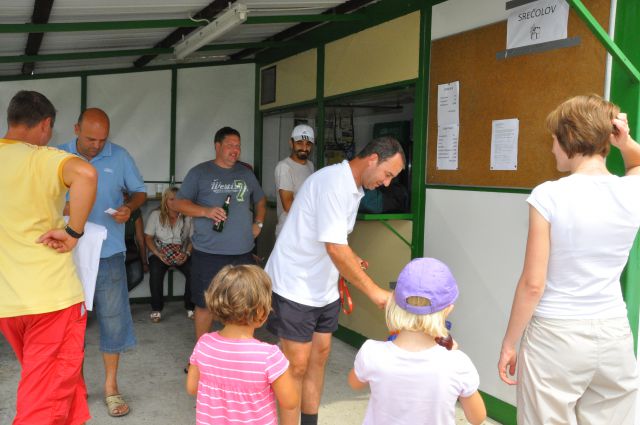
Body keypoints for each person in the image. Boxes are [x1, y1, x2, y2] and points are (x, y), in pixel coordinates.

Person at [498, 95, 640, 424]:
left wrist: (509, 342)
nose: (551, 148)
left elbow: (533, 283)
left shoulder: (550, 195)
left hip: (555, 336)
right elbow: (636, 164)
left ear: (568, 138)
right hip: (614, 334)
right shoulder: (631, 191)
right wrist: (626, 142)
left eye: (553, 140)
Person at [265, 136, 405, 425]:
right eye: (387, 174)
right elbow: (334, 248)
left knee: (319, 358)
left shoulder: (354, 188)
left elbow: (337, 242)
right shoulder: (333, 183)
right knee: (296, 366)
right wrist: (376, 293)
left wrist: (352, 259)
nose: (387, 183)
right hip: (295, 285)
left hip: (324, 288)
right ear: (373, 160)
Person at [0, 90, 98, 424]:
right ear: (45, 124)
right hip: (52, 302)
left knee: (63, 387)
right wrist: (74, 233)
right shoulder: (43, 157)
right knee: (42, 405)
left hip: (9, 305)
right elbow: (85, 174)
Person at [58, 108, 147, 418]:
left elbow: (139, 191)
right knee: (71, 326)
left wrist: (128, 207)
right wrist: (60, 204)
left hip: (108, 253)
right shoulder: (57, 156)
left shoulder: (119, 156)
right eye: (90, 139)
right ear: (76, 129)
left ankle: (111, 387)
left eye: (102, 140)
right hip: (66, 257)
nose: (96, 146)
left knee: (113, 321)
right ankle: (77, 388)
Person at [348, 258, 486, 425]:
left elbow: (354, 383)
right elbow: (477, 418)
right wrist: (453, 355)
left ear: (394, 302)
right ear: (448, 309)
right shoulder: (458, 364)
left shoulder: (371, 353)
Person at [173, 126, 266, 342]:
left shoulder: (245, 173)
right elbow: (178, 203)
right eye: (230, 146)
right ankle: (200, 356)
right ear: (217, 146)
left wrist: (258, 225)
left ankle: (235, 352)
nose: (235, 150)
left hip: (242, 252)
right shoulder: (200, 172)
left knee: (242, 303)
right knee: (205, 305)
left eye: (238, 146)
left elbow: (260, 200)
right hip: (208, 253)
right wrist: (205, 211)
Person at [186, 264, 298, 424]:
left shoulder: (204, 344)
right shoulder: (269, 356)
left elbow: (192, 388)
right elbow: (290, 401)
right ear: (261, 312)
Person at [144, 186, 195, 322]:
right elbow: (148, 237)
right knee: (155, 271)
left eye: (178, 199)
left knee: (193, 271)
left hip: (180, 252)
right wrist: (158, 253)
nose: (175, 202)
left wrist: (187, 254)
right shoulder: (156, 215)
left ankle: (190, 307)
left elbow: (193, 239)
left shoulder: (188, 216)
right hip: (160, 252)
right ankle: (156, 309)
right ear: (165, 200)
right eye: (171, 199)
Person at [274, 124, 315, 237]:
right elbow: (288, 205)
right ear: (291, 143)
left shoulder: (310, 166)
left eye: (308, 144)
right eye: (299, 143)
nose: (304, 148)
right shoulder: (284, 167)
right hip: (288, 232)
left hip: (306, 229)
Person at [124, 192, 148, 291]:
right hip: (111, 246)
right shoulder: (109, 210)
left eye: (125, 194)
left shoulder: (134, 211)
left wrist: (144, 262)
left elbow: (140, 239)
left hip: (129, 246)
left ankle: (123, 298)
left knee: (137, 275)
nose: (123, 198)